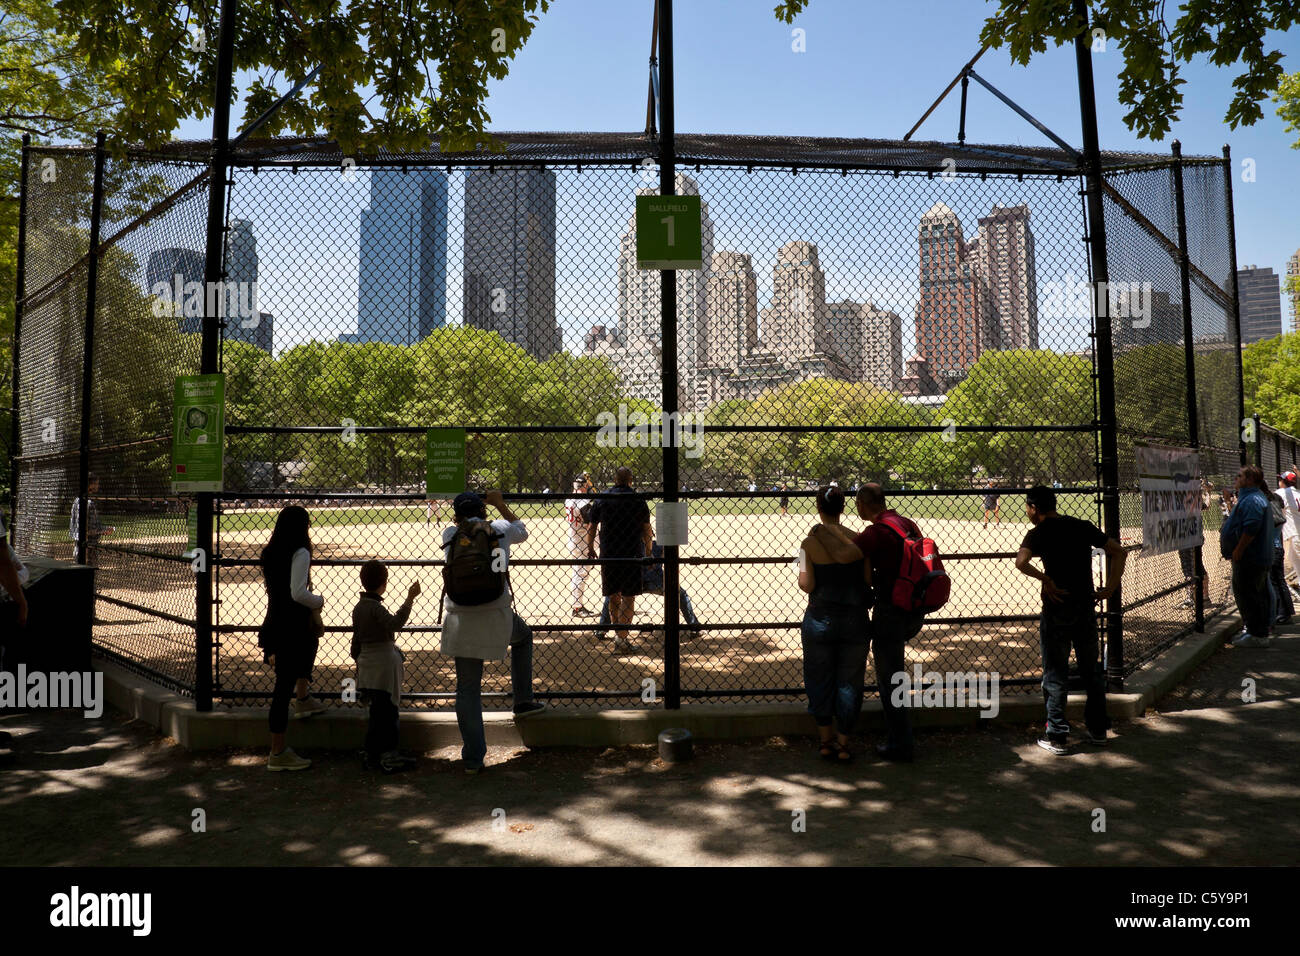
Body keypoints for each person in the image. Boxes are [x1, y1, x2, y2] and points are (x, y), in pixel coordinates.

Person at [1014, 485, 1126, 755]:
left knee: (1055, 673)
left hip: (1057, 609)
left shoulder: (1037, 532)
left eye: (1028, 508)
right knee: (1092, 671)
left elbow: (1020, 562)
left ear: (1034, 508)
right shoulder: (1081, 526)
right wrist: (1110, 587)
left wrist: (1045, 578)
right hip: (1086, 606)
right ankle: (1098, 730)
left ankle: (1057, 736)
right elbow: (1118, 552)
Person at [440, 490, 545, 774]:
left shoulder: (450, 533)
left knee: (467, 688)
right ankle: (522, 700)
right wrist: (500, 504)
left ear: (456, 514)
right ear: (483, 510)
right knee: (523, 637)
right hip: (497, 614)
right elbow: (523, 530)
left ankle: (473, 758)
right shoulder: (499, 529)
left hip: (460, 617)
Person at [797, 486, 871, 763]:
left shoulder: (808, 543)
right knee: (850, 681)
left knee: (818, 677)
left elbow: (807, 584)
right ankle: (843, 743)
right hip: (855, 619)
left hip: (820, 619)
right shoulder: (859, 540)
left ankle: (825, 741)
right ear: (843, 509)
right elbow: (867, 582)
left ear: (819, 508)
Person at [854, 483, 925, 762]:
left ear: (862, 503)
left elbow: (850, 552)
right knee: (894, 672)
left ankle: (901, 744)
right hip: (912, 608)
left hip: (890, 611)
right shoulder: (903, 523)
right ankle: (900, 738)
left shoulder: (875, 532)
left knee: (889, 678)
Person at [258, 505, 328, 772]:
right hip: (292, 623)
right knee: (281, 687)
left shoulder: (270, 551)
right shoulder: (300, 552)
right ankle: (277, 752)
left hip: (275, 618)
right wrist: (319, 601)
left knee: (310, 645)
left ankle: (303, 698)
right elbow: (298, 592)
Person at [351, 560, 420, 773]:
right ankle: (388, 755)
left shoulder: (359, 607)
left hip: (368, 666)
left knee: (377, 713)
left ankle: (372, 752)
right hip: (383, 668)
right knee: (388, 713)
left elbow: (356, 645)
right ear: (384, 583)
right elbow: (395, 623)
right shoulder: (375, 608)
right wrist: (409, 599)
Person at [586, 467, 653, 655]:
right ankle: (622, 638)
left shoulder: (604, 497)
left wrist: (590, 547)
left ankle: (619, 636)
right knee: (628, 596)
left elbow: (592, 526)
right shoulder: (637, 499)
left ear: (615, 479)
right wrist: (649, 551)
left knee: (613, 594)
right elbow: (647, 529)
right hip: (631, 553)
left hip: (609, 553)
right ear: (631, 480)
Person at [592, 539, 701, 642]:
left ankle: (602, 628)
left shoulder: (630, 544)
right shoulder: (659, 545)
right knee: (680, 594)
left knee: (613, 596)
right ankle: (694, 626)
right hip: (655, 580)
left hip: (634, 579)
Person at [1220, 466, 1273, 648]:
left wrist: (1239, 549)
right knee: (1252, 594)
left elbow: (1251, 527)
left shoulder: (1252, 499)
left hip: (1251, 557)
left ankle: (1256, 634)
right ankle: (1256, 631)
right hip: (1254, 556)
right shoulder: (1250, 497)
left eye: (1239, 476)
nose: (1236, 478)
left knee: (1249, 595)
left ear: (1249, 480)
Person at [564, 476, 595, 616]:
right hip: (582, 542)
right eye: (586, 485)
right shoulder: (583, 502)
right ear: (583, 487)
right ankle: (577, 607)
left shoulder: (569, 499)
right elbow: (590, 524)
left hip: (574, 538)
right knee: (581, 574)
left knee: (578, 572)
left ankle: (577, 605)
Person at [69, 472, 114, 563]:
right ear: (90, 485)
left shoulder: (76, 501)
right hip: (89, 548)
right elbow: (89, 530)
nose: (98, 486)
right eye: (96, 483)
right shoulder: (89, 504)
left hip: (78, 546)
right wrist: (105, 530)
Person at [1278, 470, 1300, 603]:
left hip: (1295, 534)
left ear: (1284, 482)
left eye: (1280, 480)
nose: (1279, 482)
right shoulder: (1297, 493)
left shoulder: (1283, 493)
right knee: (1293, 558)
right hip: (1295, 533)